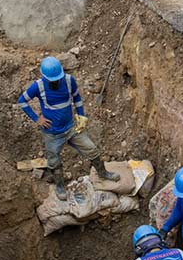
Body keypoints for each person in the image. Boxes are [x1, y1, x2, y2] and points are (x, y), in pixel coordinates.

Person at [18, 56, 119, 201]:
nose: (55, 82)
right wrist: (37, 118)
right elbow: (22, 101)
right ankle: (60, 186)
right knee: (54, 161)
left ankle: (103, 173)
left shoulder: (68, 80)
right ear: (44, 77)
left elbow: (76, 97)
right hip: (52, 133)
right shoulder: (38, 86)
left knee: (92, 149)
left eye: (57, 79)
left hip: (71, 128)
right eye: (52, 80)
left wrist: (81, 116)